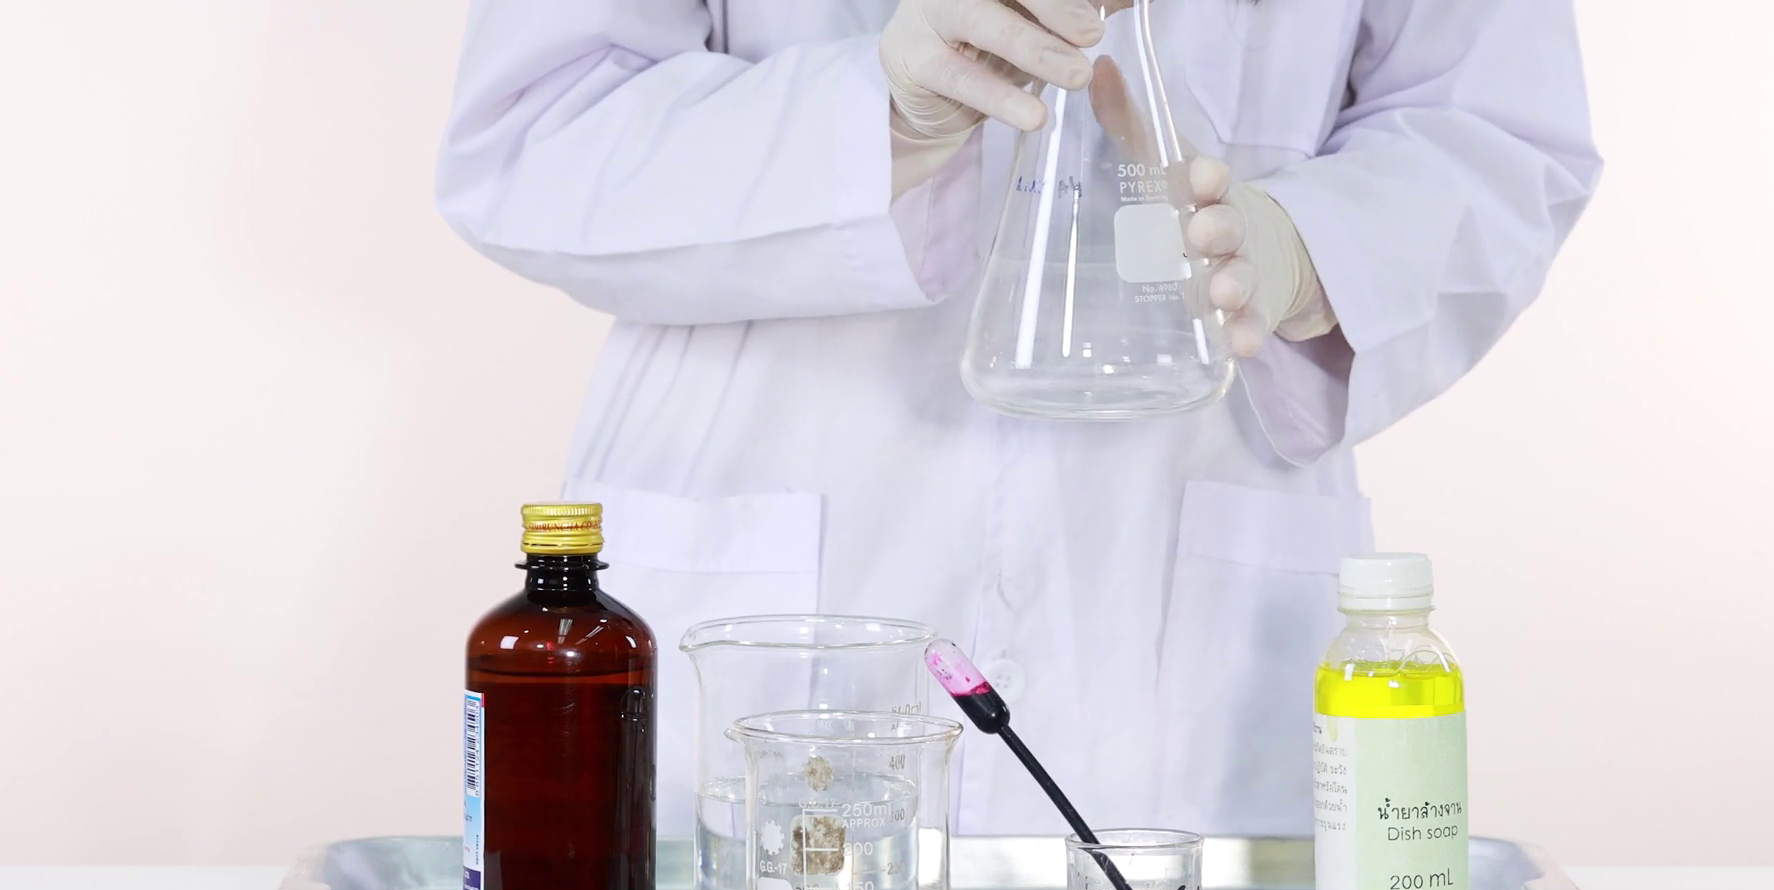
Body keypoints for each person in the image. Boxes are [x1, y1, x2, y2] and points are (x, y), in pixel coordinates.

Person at [436, 0, 1600, 837]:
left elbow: (1498, 133)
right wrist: (874, 117)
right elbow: (537, 134)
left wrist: (1309, 249)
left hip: (1188, 589)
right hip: (779, 523)